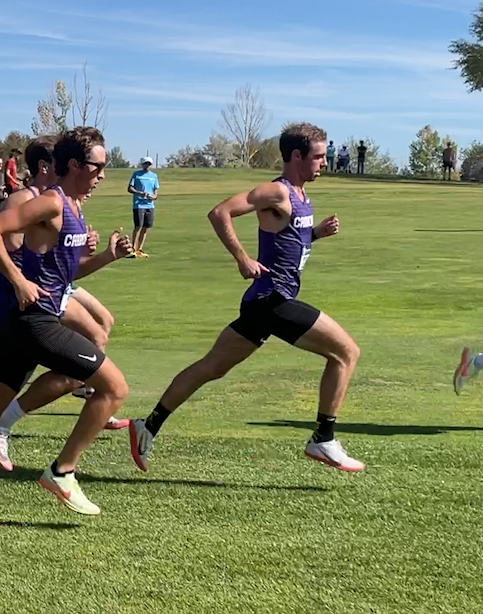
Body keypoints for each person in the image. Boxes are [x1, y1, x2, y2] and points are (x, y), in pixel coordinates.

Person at [126, 123, 364, 475]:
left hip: (261, 302)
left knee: (213, 366)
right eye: (318, 156)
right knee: (346, 352)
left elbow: (289, 242)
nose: (324, 162)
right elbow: (219, 212)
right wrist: (241, 258)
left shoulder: (300, 196)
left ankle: (149, 424)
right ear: (296, 156)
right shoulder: (276, 192)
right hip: (273, 299)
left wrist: (316, 234)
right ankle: (323, 438)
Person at [0, 127, 131, 516]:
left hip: (33, 321)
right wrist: (18, 279)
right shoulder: (50, 203)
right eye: (98, 166)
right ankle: (63, 471)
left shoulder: (73, 208)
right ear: (74, 165)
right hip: (35, 323)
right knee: (114, 388)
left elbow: (64, 279)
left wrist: (108, 256)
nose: (103, 175)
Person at [128, 157, 159, 258]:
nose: (148, 165)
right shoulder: (136, 174)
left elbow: (156, 192)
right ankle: (133, 248)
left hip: (149, 205)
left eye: (149, 164)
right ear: (142, 164)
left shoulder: (154, 176)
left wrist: (153, 197)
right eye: (146, 163)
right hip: (139, 204)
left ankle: (139, 249)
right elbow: (130, 188)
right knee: (138, 226)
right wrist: (140, 193)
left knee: (145, 227)